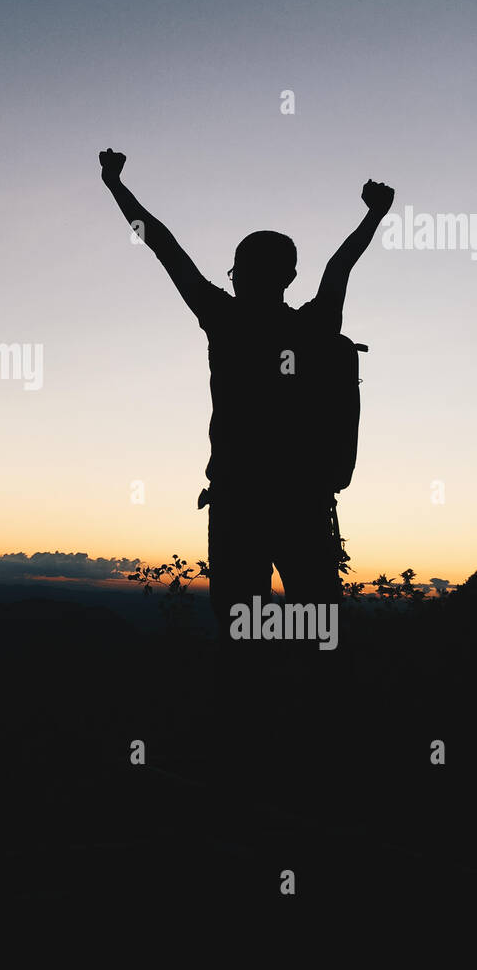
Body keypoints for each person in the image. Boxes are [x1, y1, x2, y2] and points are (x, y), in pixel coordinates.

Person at [99, 146, 394, 632]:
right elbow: (340, 267)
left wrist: (115, 185)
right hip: (305, 504)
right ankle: (319, 706)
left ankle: (249, 704)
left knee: (243, 637)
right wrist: (374, 216)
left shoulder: (224, 319)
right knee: (318, 631)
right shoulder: (314, 327)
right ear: (290, 277)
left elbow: (163, 246)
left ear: (239, 272)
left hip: (240, 504)